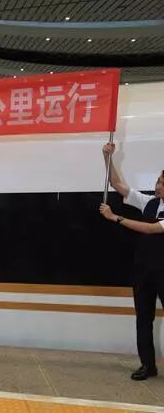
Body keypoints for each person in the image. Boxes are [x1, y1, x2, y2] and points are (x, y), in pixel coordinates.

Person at [99, 142, 164, 380]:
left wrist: (116, 218)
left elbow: (150, 229)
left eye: (162, 182)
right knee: (143, 318)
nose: (157, 185)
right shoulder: (149, 202)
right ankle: (148, 365)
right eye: (158, 181)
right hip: (144, 270)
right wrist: (107, 157)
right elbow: (117, 184)